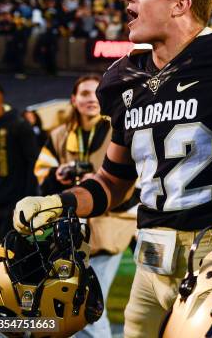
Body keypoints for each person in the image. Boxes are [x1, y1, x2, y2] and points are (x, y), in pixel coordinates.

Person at [12, 0, 212, 338]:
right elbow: (112, 182)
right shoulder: (121, 79)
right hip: (149, 264)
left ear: (180, 4)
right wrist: (60, 203)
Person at [33, 74, 136, 338]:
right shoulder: (59, 134)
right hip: (71, 228)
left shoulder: (119, 129)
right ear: (73, 99)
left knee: (86, 299)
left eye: (95, 94)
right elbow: (41, 173)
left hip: (112, 224)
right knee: (72, 300)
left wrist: (102, 184)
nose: (90, 99)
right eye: (84, 94)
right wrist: (57, 174)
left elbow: (137, 175)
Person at [0, 83, 38, 244]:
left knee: (13, 252)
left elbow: (32, 164)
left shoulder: (19, 125)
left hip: (15, 202)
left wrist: (28, 200)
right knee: (0, 251)